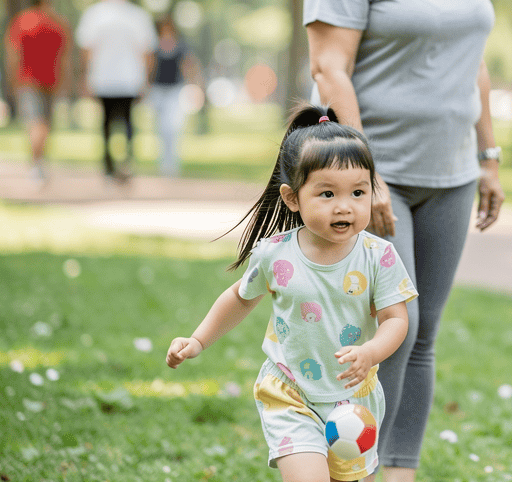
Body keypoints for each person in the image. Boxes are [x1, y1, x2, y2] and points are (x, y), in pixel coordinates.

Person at [302, 0, 505, 480]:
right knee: (393, 330)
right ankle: (343, 465)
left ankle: (398, 470)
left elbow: (472, 60)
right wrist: (367, 180)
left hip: (451, 172)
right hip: (375, 176)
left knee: (422, 336)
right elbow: (330, 70)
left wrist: (489, 155)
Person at [166, 105, 417, 482]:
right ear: (292, 198)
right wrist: (199, 339)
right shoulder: (275, 253)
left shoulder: (378, 255)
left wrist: (371, 352)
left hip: (352, 399)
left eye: (358, 192)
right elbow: (240, 297)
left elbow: (396, 319)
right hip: (290, 393)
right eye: (327, 193)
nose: (344, 206)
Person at [75, 0, 157, 180]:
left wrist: (85, 76)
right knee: (128, 121)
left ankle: (108, 165)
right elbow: (146, 52)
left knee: (106, 121)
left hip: (103, 78)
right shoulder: (138, 15)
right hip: (130, 79)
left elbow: (87, 50)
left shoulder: (94, 14)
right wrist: (146, 78)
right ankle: (127, 160)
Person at [5, 0, 71, 181]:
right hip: (51, 81)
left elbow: (13, 53)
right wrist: (66, 81)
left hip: (27, 80)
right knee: (45, 124)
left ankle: (36, 163)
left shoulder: (21, 22)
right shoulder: (58, 24)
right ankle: (39, 162)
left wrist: (11, 79)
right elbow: (65, 57)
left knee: (35, 123)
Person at [150, 15, 199, 177]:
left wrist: (194, 84)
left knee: (172, 127)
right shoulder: (154, 45)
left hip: (174, 90)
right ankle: (164, 161)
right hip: (158, 90)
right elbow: (149, 66)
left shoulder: (180, 46)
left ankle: (171, 163)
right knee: (161, 129)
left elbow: (189, 64)